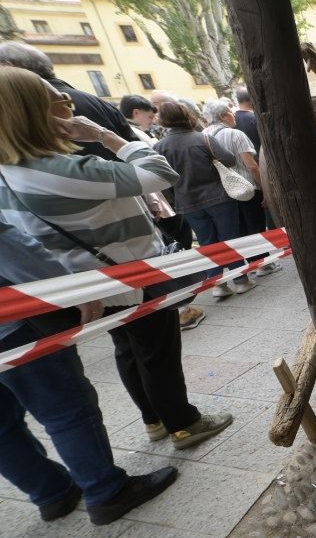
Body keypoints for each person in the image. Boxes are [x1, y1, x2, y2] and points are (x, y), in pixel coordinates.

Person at [0, 68, 233, 452]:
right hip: (129, 277)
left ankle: (154, 420)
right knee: (158, 351)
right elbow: (160, 173)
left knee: (128, 347)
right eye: (59, 102)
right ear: (35, 113)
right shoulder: (62, 171)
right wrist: (105, 136)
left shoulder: (9, 173)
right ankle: (184, 423)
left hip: (91, 283)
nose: (68, 107)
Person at [0, 218, 179, 525]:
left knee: (2, 426)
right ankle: (107, 491)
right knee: (67, 410)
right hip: (12, 328)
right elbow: (14, 249)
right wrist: (71, 289)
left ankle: (52, 494)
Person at [120, 96, 206, 330]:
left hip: (174, 201)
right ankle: (181, 306)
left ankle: (184, 301)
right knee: (174, 249)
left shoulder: (156, 141)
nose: (153, 119)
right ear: (136, 113)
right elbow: (161, 175)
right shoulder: (133, 138)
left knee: (186, 245)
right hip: (160, 206)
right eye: (150, 115)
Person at [155, 101, 256, 300]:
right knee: (230, 239)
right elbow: (230, 160)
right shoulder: (203, 139)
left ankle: (217, 284)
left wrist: (174, 201)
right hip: (219, 197)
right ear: (186, 115)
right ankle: (240, 280)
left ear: (164, 120)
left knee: (207, 243)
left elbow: (162, 180)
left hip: (187, 202)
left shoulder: (159, 147)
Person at [0, 41, 136, 160]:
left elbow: (151, 170)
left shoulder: (17, 111)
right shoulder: (99, 102)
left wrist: (101, 135)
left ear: (9, 67)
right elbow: (136, 147)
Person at [201, 101, 281, 277]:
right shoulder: (236, 135)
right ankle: (263, 265)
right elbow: (251, 166)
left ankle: (250, 265)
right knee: (255, 227)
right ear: (222, 116)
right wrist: (264, 189)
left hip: (223, 191)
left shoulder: (202, 136)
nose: (234, 115)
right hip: (247, 188)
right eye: (230, 112)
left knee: (240, 231)